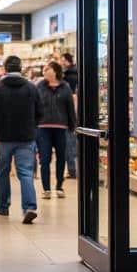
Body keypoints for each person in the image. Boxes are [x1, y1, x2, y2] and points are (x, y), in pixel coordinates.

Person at [0, 55, 41, 224]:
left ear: (5, 68)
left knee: (3, 172)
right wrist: (32, 126)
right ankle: (29, 207)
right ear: (21, 68)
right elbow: (40, 112)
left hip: (3, 137)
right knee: (25, 172)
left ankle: (3, 206)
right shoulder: (31, 88)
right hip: (26, 137)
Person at [36, 61, 77, 200]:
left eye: (47, 69)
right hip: (43, 128)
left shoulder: (65, 87)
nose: (44, 71)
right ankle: (46, 189)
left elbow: (70, 107)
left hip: (61, 128)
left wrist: (72, 126)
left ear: (55, 71)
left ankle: (59, 186)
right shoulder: (39, 86)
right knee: (45, 159)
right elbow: (34, 106)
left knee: (61, 158)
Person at [62, 52, 80, 181]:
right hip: (75, 113)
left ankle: (73, 169)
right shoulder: (76, 72)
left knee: (70, 142)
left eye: (62, 59)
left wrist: (72, 113)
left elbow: (73, 96)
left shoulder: (69, 76)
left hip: (71, 114)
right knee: (73, 142)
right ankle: (74, 169)